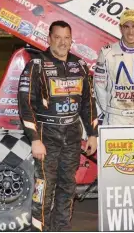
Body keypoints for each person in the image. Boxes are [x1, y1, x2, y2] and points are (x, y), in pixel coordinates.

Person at [18, 20, 98, 232]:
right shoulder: (36, 65)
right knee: (44, 187)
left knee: (67, 186)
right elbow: (25, 106)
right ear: (49, 38)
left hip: (72, 134)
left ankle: (61, 228)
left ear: (71, 40)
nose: (62, 42)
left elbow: (88, 102)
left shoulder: (79, 66)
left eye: (66, 38)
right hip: (46, 135)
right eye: (57, 37)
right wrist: (35, 139)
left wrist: (92, 134)